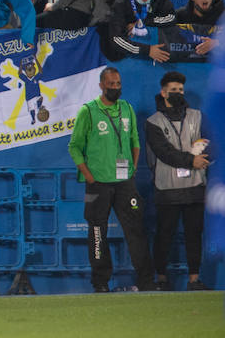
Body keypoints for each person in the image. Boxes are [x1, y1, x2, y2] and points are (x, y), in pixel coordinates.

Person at [68, 67, 155, 292]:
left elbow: (135, 139)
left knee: (136, 229)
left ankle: (146, 281)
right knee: (97, 232)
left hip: (125, 182)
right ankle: (100, 282)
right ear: (101, 86)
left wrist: (134, 167)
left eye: (118, 84)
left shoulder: (127, 109)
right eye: (111, 84)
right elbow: (74, 147)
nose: (115, 88)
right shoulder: (88, 111)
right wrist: (89, 176)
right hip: (98, 183)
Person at [145, 71, 211, 291]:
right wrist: (193, 160)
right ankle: (161, 279)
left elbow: (214, 143)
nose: (178, 93)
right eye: (173, 90)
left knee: (194, 234)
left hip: (195, 187)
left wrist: (206, 156)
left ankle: (194, 279)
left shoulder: (197, 116)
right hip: (167, 188)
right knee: (165, 235)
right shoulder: (153, 123)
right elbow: (164, 153)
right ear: (163, 93)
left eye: (181, 90)